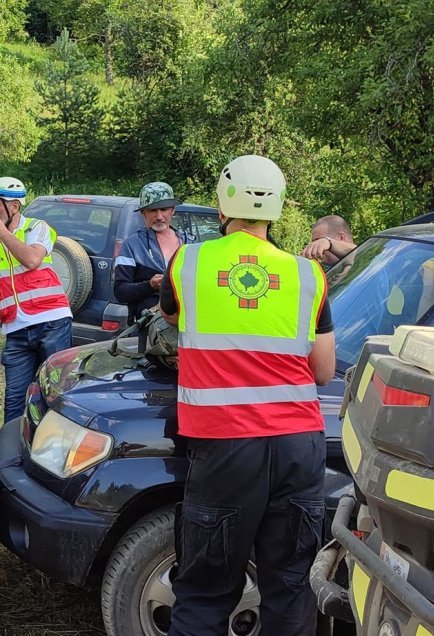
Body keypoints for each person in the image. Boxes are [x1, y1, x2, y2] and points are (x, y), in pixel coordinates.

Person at [159, 155, 336, 636]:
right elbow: (323, 371)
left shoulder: (188, 261)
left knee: (205, 591)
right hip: (300, 446)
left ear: (222, 204)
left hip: (225, 448)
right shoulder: (307, 275)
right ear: (276, 208)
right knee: (290, 586)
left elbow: (174, 318)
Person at [0, 177, 72, 422]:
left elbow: (32, 260)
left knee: (55, 395)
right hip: (17, 330)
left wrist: (2, 233)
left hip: (52, 323)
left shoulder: (37, 228)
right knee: (14, 402)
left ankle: (54, 451)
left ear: (15, 207)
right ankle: (10, 457)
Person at [114, 181, 189, 322]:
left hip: (186, 327)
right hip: (147, 330)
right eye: (153, 210)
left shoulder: (190, 243)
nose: (159, 216)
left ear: (173, 210)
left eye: (164, 209)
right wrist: (149, 285)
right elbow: (120, 292)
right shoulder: (132, 245)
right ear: (143, 213)